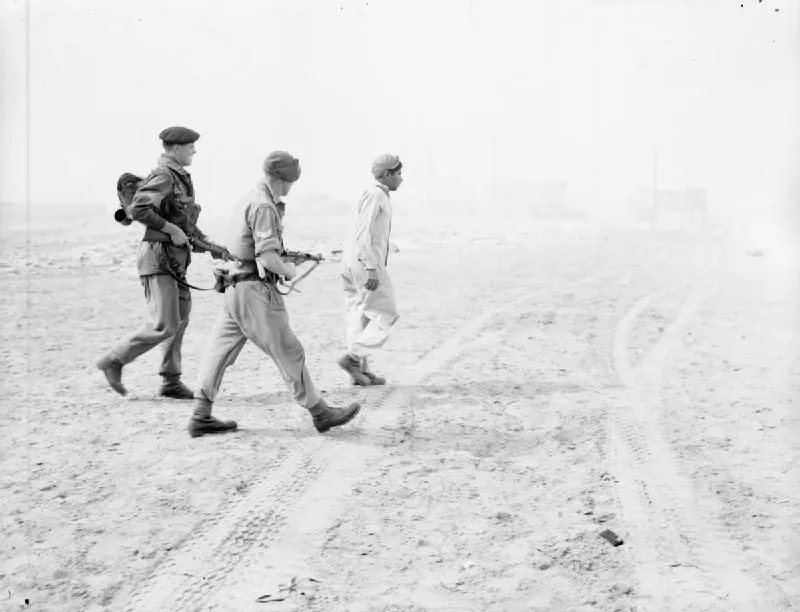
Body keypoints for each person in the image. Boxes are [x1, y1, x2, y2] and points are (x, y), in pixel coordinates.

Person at [188, 151, 361, 438]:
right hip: (255, 292)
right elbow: (268, 257)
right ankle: (320, 412)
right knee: (289, 350)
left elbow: (250, 248)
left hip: (234, 288)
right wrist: (290, 270)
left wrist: (291, 257)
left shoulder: (248, 198)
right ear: (281, 179)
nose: (290, 189)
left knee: (218, 352)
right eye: (289, 183)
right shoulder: (264, 205)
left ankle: (200, 415)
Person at [97, 126, 214, 399]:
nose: (194, 151)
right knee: (165, 323)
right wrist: (171, 230)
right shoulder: (164, 175)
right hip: (158, 257)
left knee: (181, 318)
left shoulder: (179, 178)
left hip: (175, 260)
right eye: (190, 146)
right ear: (174, 148)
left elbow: (182, 223)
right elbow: (138, 209)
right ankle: (114, 360)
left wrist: (211, 246)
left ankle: (171, 380)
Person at [337, 153, 403, 386]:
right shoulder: (376, 195)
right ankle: (354, 358)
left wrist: (387, 246)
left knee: (360, 316)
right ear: (387, 175)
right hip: (364, 265)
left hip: (350, 262)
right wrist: (371, 267)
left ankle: (361, 370)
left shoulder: (370, 195)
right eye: (398, 174)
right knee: (386, 314)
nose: (401, 179)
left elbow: (364, 232)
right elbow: (363, 232)